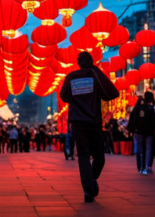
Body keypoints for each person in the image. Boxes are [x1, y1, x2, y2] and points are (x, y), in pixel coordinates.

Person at [60, 51, 119, 203]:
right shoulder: (95, 75)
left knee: (83, 156)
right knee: (99, 156)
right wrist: (96, 70)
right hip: (94, 121)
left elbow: (64, 96)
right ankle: (91, 180)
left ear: (78, 63)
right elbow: (112, 92)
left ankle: (88, 189)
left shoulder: (71, 77)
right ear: (91, 62)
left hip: (78, 123)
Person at [128, 92, 155, 175]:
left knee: (139, 149)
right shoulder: (151, 108)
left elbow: (133, 120)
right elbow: (153, 121)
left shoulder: (137, 108)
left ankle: (140, 166)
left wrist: (131, 130)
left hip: (138, 131)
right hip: (149, 131)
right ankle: (148, 166)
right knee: (149, 149)